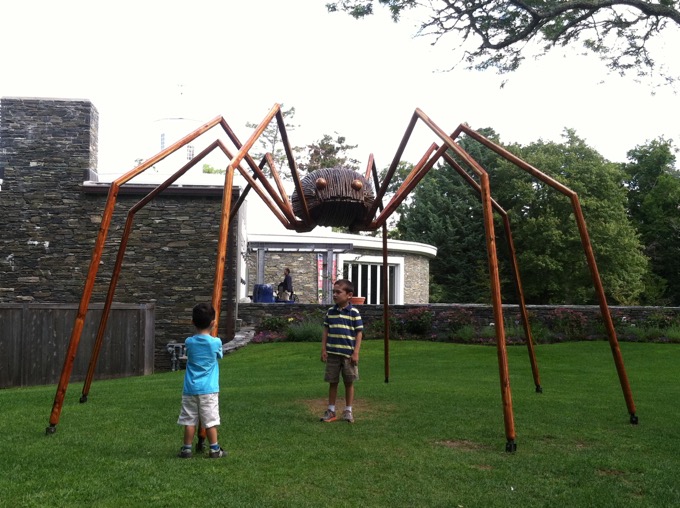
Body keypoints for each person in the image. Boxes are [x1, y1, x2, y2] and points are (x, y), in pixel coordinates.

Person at [177, 302, 227, 459]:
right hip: (209, 389)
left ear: (192, 322)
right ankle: (214, 449)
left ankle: (186, 449)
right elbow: (219, 355)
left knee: (189, 420)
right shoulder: (216, 342)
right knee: (210, 420)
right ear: (213, 323)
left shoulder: (189, 342)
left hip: (190, 388)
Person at [320, 279, 363, 424]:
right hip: (332, 354)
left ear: (349, 295)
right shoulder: (330, 312)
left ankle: (348, 411)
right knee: (332, 382)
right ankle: (331, 410)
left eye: (338, 292)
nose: (335, 295)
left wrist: (355, 352)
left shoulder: (354, 313)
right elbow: (326, 330)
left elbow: (359, 333)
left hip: (348, 355)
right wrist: (324, 349)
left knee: (349, 382)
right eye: (334, 292)